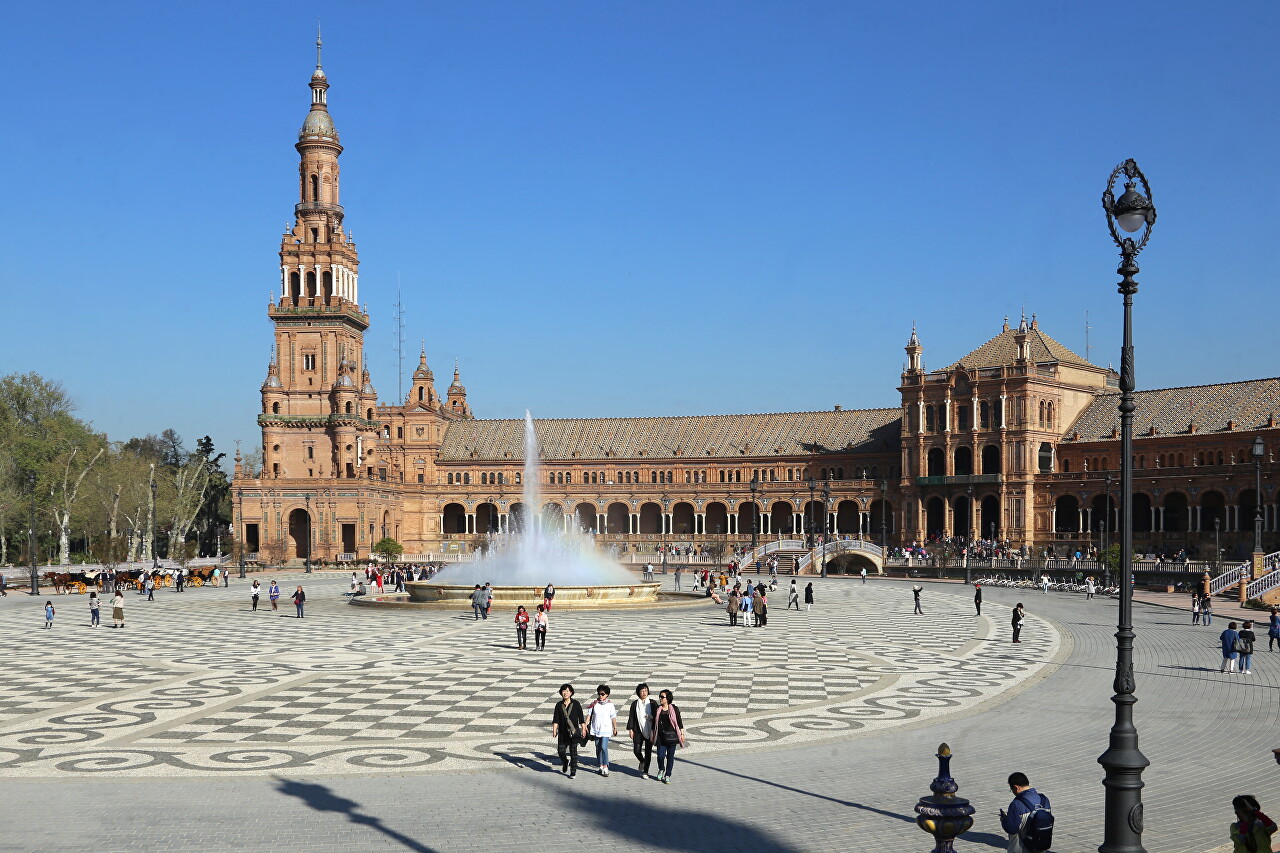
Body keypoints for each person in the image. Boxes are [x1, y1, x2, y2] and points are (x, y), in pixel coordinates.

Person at [999, 772, 1051, 853]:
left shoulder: (1016, 804)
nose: (1012, 791)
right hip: (1040, 845)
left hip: (1021, 848)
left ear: (1016, 787)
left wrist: (1004, 820)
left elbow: (1012, 829)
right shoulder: (1044, 799)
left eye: (1011, 789)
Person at [650, 688, 686, 784]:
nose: (660, 698)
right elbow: (654, 724)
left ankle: (668, 775)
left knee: (670, 757)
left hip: (672, 737)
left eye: (662, 697)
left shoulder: (674, 709)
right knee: (660, 756)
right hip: (660, 737)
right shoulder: (658, 709)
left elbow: (679, 722)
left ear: (668, 699)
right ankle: (661, 769)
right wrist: (652, 734)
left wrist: (682, 734)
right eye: (660, 697)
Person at [551, 683, 585, 778]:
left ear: (571, 693)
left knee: (573, 752)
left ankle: (573, 771)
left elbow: (581, 718)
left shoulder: (576, 704)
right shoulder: (558, 705)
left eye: (567, 691)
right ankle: (565, 761)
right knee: (561, 751)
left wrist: (583, 729)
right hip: (563, 732)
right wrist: (554, 730)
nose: (565, 693)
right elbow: (556, 719)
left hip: (574, 733)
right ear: (561, 692)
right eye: (563, 691)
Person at [626, 683, 658, 778]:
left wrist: (652, 718)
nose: (644, 693)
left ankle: (646, 771)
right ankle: (642, 760)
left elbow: (657, 716)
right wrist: (630, 729)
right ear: (638, 692)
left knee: (648, 751)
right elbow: (631, 717)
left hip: (650, 729)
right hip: (638, 729)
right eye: (642, 691)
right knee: (636, 750)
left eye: (645, 690)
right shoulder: (635, 703)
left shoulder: (652, 703)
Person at [585, 684, 618, 776]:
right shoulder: (594, 704)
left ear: (607, 695)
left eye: (602, 694)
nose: (600, 696)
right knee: (598, 747)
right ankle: (600, 765)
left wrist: (615, 727)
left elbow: (613, 717)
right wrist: (585, 725)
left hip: (606, 729)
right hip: (596, 728)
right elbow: (589, 715)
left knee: (604, 747)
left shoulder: (610, 705)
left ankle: (606, 766)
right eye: (599, 694)